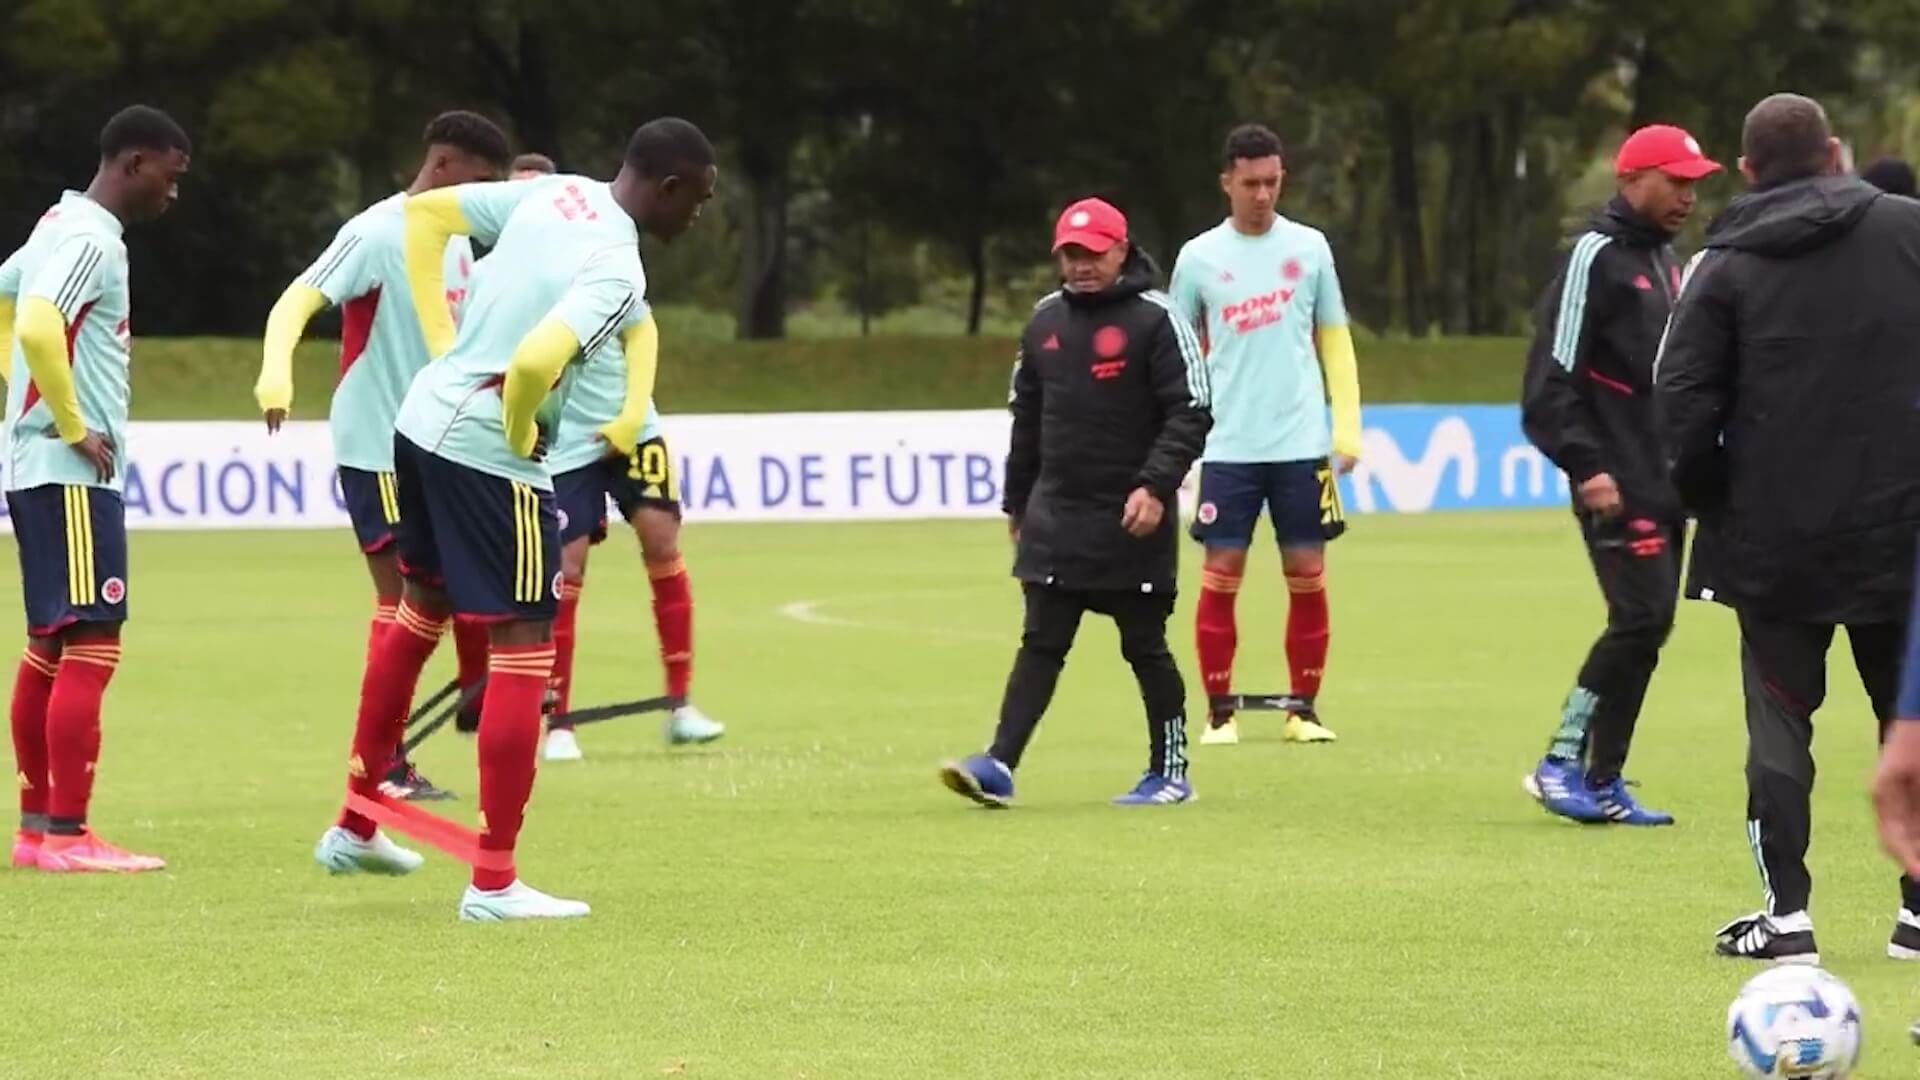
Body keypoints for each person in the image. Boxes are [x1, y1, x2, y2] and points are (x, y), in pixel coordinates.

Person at [309, 117, 716, 920]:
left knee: (417, 613)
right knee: (524, 647)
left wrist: (441, 340)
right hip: (486, 454)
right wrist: (522, 420)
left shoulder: (555, 195)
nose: (696, 217)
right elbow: (533, 363)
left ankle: (356, 824)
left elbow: (426, 215)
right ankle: (494, 882)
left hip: (420, 421)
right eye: (697, 202)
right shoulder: (618, 268)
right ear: (666, 189)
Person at [1658, 93, 1920, 963]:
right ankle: (1919, 910)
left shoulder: (1722, 265)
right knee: (1907, 715)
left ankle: (1789, 916)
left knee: (1780, 723)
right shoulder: (1910, 233)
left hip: (1771, 543)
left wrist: (1709, 498)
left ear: (1746, 170)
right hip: (1901, 531)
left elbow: (1683, 400)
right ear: (1836, 152)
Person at [254, 111, 510, 801]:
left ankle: (443, 723)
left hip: (437, 442)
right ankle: (383, 764)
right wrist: (277, 371)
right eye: (481, 182)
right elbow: (295, 300)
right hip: (379, 444)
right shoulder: (375, 232)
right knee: (402, 602)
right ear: (446, 167)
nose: (484, 199)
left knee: (444, 595)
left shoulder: (455, 242)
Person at [939, 197, 1212, 807]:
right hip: (1056, 516)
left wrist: (1155, 485)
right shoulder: (1043, 322)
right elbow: (1026, 418)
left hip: (1131, 518)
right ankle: (999, 764)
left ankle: (1170, 771)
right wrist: (1016, 502)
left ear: (1121, 250)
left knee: (1144, 645)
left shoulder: (1156, 319)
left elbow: (1191, 409)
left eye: (1093, 254)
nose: (1081, 265)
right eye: (1071, 254)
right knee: (1041, 641)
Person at [0, 105, 190, 872]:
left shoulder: (55, 225)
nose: (173, 196)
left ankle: (37, 830)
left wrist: (20, 397)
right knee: (92, 641)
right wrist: (70, 422)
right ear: (135, 163)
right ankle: (72, 835)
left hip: (37, 466)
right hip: (73, 472)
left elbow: (4, 294)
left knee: (49, 644)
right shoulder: (89, 239)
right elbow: (40, 324)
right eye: (171, 179)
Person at [1518, 124, 1721, 826]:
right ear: (1633, 180)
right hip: (1614, 478)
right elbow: (1550, 380)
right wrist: (1587, 465)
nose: (1688, 196)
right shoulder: (1594, 258)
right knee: (1639, 619)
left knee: (1651, 624)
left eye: (1695, 183)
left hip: (1663, 479)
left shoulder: (1669, 263)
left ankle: (1604, 779)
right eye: (1677, 181)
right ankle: (1559, 762)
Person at [1169, 123, 1360, 748]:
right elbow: (1175, 354)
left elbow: (1335, 338)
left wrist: (1347, 427)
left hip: (1302, 444)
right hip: (1228, 446)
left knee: (1307, 570)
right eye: (1250, 183)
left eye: (1272, 182)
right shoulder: (1198, 259)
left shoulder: (1309, 249)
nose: (1262, 194)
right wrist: (1173, 437)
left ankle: (1301, 710)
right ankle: (1220, 712)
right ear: (1227, 182)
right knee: (1221, 569)